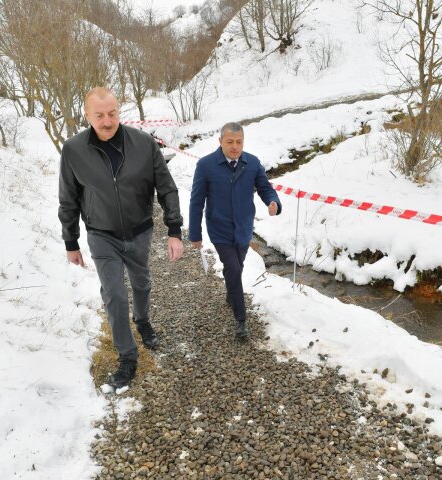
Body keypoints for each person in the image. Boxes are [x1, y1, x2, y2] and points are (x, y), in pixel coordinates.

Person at [58, 87, 184, 389]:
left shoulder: (143, 144)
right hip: (102, 235)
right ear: (87, 116)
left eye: (112, 113)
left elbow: (166, 187)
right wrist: (71, 242)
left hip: (139, 231)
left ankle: (142, 321)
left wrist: (174, 230)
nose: (107, 121)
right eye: (99, 115)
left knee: (142, 283)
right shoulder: (74, 150)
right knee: (114, 294)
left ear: (119, 111)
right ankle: (128, 357)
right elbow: (68, 198)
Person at [189, 122, 281, 339]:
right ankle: (241, 320)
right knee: (233, 267)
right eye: (230, 142)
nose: (234, 147)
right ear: (220, 141)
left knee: (235, 267)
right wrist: (195, 233)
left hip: (244, 228)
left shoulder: (252, 163)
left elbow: (265, 188)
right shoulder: (206, 165)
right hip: (219, 229)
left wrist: (273, 202)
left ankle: (231, 294)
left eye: (239, 142)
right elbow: (196, 202)